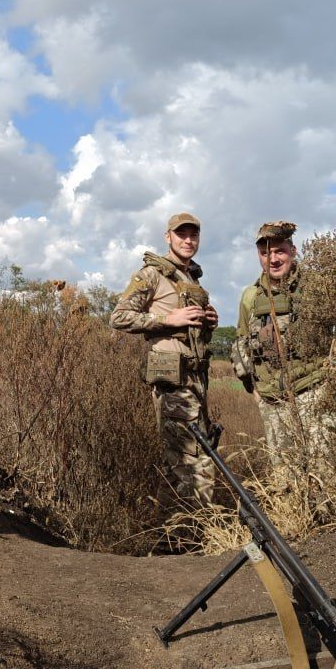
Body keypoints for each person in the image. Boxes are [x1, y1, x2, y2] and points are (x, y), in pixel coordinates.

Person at [110, 213, 219, 526]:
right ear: (167, 236)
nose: (188, 240)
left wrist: (208, 323)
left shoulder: (191, 279)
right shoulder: (152, 275)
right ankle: (186, 537)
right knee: (190, 459)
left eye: (193, 235)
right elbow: (119, 317)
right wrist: (165, 320)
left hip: (197, 379)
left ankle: (172, 535)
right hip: (173, 382)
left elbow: (191, 332)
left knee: (190, 457)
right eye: (181, 234)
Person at [234, 221, 331, 467]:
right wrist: (254, 390)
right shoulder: (250, 296)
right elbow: (241, 344)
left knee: (327, 472)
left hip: (315, 393)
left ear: (293, 250)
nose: (273, 259)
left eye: (279, 251)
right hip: (273, 402)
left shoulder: (317, 287)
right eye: (265, 253)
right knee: (286, 477)